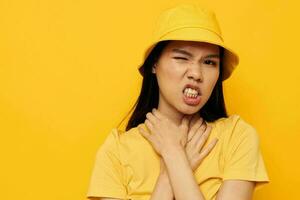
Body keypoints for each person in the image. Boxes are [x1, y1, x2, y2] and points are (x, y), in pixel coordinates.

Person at [86, 3, 270, 200]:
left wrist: (173, 154)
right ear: (154, 64)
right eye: (182, 58)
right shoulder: (117, 151)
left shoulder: (237, 136)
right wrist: (171, 167)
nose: (196, 74)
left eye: (209, 62)